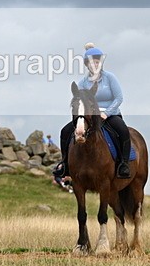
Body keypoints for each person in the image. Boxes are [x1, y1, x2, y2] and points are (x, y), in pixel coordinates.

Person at [54, 43, 131, 179]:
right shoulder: (82, 83)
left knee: (123, 130)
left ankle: (123, 164)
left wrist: (106, 113)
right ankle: (65, 164)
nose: (95, 65)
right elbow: (78, 102)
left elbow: (119, 98)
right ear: (86, 65)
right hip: (89, 116)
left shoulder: (110, 78)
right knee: (65, 131)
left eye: (97, 62)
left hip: (110, 114)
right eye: (91, 62)